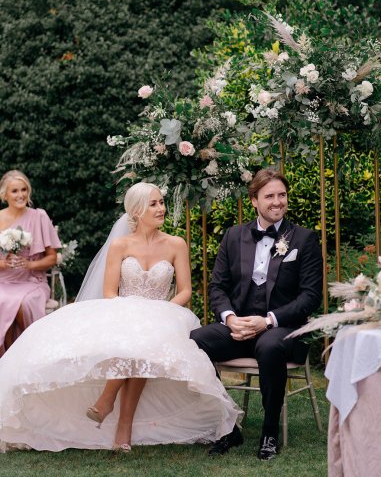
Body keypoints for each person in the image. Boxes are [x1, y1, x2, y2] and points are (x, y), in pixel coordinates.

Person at [0, 182, 240, 452]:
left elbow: (184, 291)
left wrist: (161, 312)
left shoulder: (176, 244)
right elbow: (109, 292)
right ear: (136, 211)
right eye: (154, 204)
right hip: (124, 311)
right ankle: (121, 424)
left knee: (148, 336)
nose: (161, 208)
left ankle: (108, 399)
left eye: (161, 202)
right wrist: (134, 313)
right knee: (137, 339)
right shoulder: (120, 245)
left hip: (166, 313)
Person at [191, 168, 323, 461]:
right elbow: (217, 287)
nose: (278, 202)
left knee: (269, 344)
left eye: (282, 195)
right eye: (270, 196)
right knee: (194, 341)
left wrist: (267, 321)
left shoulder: (304, 239)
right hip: (239, 326)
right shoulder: (234, 236)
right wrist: (229, 318)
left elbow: (310, 296)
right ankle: (226, 425)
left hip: (284, 329)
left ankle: (269, 430)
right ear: (254, 200)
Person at [0, 170, 61, 357]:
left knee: (24, 303)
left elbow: (52, 258)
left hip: (32, 281)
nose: (21, 195)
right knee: (2, 300)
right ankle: (8, 356)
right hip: (4, 281)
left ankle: (30, 353)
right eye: (15, 191)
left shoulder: (39, 216)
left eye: (24, 190)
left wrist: (29, 265)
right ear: (5, 195)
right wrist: (2, 264)